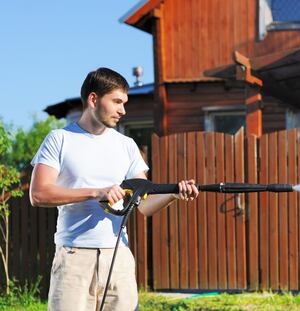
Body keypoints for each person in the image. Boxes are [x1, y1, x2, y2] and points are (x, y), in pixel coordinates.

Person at [29, 67, 198, 311]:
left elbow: (144, 206)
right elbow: (39, 194)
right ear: (94, 99)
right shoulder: (60, 139)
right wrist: (96, 192)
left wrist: (173, 194)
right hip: (74, 258)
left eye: (124, 103)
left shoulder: (126, 146)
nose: (123, 110)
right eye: (117, 101)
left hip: (118, 259)